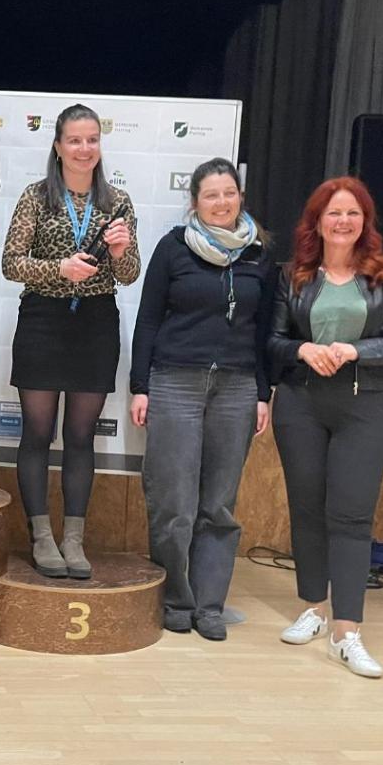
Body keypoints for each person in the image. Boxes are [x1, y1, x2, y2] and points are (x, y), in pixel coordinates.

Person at [267, 176, 383, 678]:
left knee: (350, 517)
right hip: (300, 404)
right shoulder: (293, 275)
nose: (343, 221)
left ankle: (346, 632)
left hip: (363, 406)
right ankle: (313, 607)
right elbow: (273, 341)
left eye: (353, 213)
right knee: (307, 510)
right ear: (317, 221)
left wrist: (356, 350)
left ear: (365, 221)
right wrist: (303, 349)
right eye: (334, 212)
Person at [130, 158, 273, 640]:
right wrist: (140, 385)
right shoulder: (173, 248)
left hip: (237, 388)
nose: (221, 202)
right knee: (174, 501)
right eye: (211, 195)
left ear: (240, 198)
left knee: (219, 505)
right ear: (195, 202)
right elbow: (148, 319)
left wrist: (263, 392)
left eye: (229, 193)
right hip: (175, 382)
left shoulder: (258, 255)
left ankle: (210, 605)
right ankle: (176, 598)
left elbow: (263, 330)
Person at [1, 104, 139, 577]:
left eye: (92, 139)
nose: (84, 149)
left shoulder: (117, 201)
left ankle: (73, 540)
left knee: (81, 436)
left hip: (95, 323)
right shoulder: (37, 196)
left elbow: (129, 273)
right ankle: (41, 537)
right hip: (43, 319)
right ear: (58, 146)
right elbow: (11, 263)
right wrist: (58, 268)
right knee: (38, 433)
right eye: (75, 140)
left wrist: (120, 251)